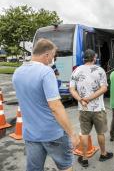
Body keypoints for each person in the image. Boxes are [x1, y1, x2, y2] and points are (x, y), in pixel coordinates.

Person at [12, 38, 79, 171]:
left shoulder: (17, 72)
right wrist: (72, 134)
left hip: (31, 133)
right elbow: (55, 107)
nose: (52, 60)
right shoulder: (46, 72)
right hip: (52, 133)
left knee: (34, 168)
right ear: (46, 55)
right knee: (65, 166)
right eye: (53, 56)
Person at [69, 49, 113, 168]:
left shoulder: (76, 70)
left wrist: (81, 99)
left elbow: (72, 89)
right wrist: (89, 98)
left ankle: (84, 158)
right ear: (94, 58)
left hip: (83, 109)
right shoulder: (100, 70)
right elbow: (104, 88)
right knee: (100, 133)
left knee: (84, 133)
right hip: (98, 108)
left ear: (84, 58)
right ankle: (103, 154)